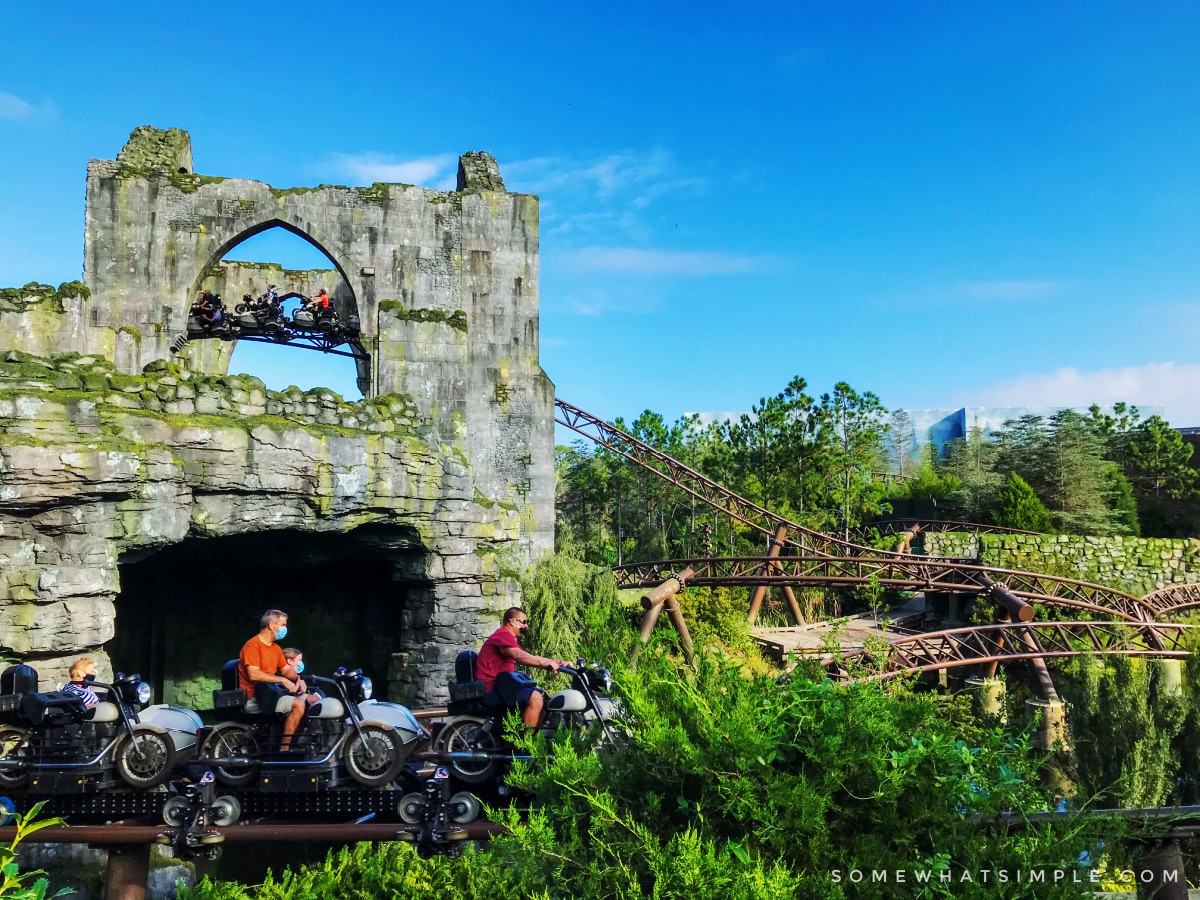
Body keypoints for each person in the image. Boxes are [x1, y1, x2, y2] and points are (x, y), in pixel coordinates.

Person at [475, 607, 566, 729]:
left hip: (503, 688)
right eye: (524, 622)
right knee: (535, 698)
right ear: (512, 621)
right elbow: (519, 656)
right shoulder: (502, 635)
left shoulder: (509, 640)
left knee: (544, 696)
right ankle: (526, 744)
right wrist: (544, 664)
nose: (526, 626)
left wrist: (560, 663)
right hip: (491, 689)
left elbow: (530, 657)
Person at [238, 610, 307, 749]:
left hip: (271, 693)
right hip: (256, 697)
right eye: (283, 625)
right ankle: (284, 750)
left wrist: (299, 678)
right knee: (298, 704)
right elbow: (254, 675)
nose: (285, 629)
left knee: (313, 701)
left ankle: (303, 743)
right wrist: (282, 680)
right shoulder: (253, 645)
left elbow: (286, 671)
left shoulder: (275, 648)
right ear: (271, 625)